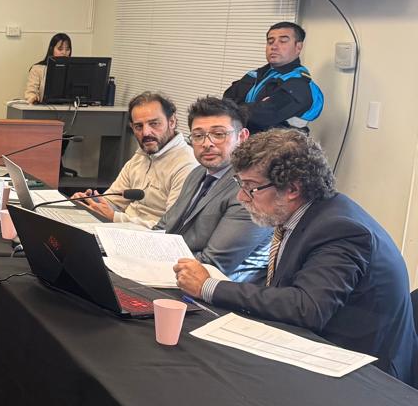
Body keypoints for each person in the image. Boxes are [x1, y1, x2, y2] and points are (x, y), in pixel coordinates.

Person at [174, 130, 417, 386]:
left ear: (292, 188)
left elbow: (306, 307)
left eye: (251, 187)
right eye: (240, 184)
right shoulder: (303, 214)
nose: (241, 197)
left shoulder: (340, 229)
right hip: (319, 346)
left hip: (367, 377)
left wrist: (209, 286)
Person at [153, 97, 271, 281]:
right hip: (175, 270)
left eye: (218, 134)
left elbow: (214, 263)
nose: (207, 143)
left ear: (242, 137)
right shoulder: (197, 173)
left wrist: (150, 261)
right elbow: (163, 227)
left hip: (219, 286)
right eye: (198, 136)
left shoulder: (252, 189)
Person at [72, 91, 197, 228]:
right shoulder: (142, 155)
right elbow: (114, 201)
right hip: (120, 229)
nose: (146, 132)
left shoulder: (187, 164)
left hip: (149, 237)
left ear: (171, 122)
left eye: (154, 124)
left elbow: (170, 227)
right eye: (139, 126)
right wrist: (90, 203)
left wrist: (115, 218)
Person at [223, 21, 323, 133]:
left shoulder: (299, 84)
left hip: (275, 143)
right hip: (242, 138)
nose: (274, 46)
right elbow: (226, 101)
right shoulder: (255, 74)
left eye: (283, 41)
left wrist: (238, 107)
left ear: (298, 47)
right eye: (270, 42)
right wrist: (255, 106)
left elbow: (262, 117)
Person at [22, 32, 71, 104]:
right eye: (60, 49)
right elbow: (31, 92)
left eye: (67, 49)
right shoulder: (37, 69)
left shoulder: (73, 69)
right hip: (43, 108)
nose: (64, 52)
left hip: (69, 108)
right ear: (52, 49)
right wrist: (33, 98)